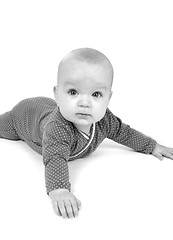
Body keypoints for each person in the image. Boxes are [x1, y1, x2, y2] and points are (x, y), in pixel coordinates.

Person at [0, 48, 173, 219]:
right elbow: (55, 157)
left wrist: (152, 146)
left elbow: (124, 132)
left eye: (96, 94)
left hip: (46, 106)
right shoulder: (57, 128)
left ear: (108, 98)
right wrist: (59, 190)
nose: (84, 102)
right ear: (58, 95)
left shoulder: (105, 121)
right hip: (24, 115)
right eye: (73, 92)